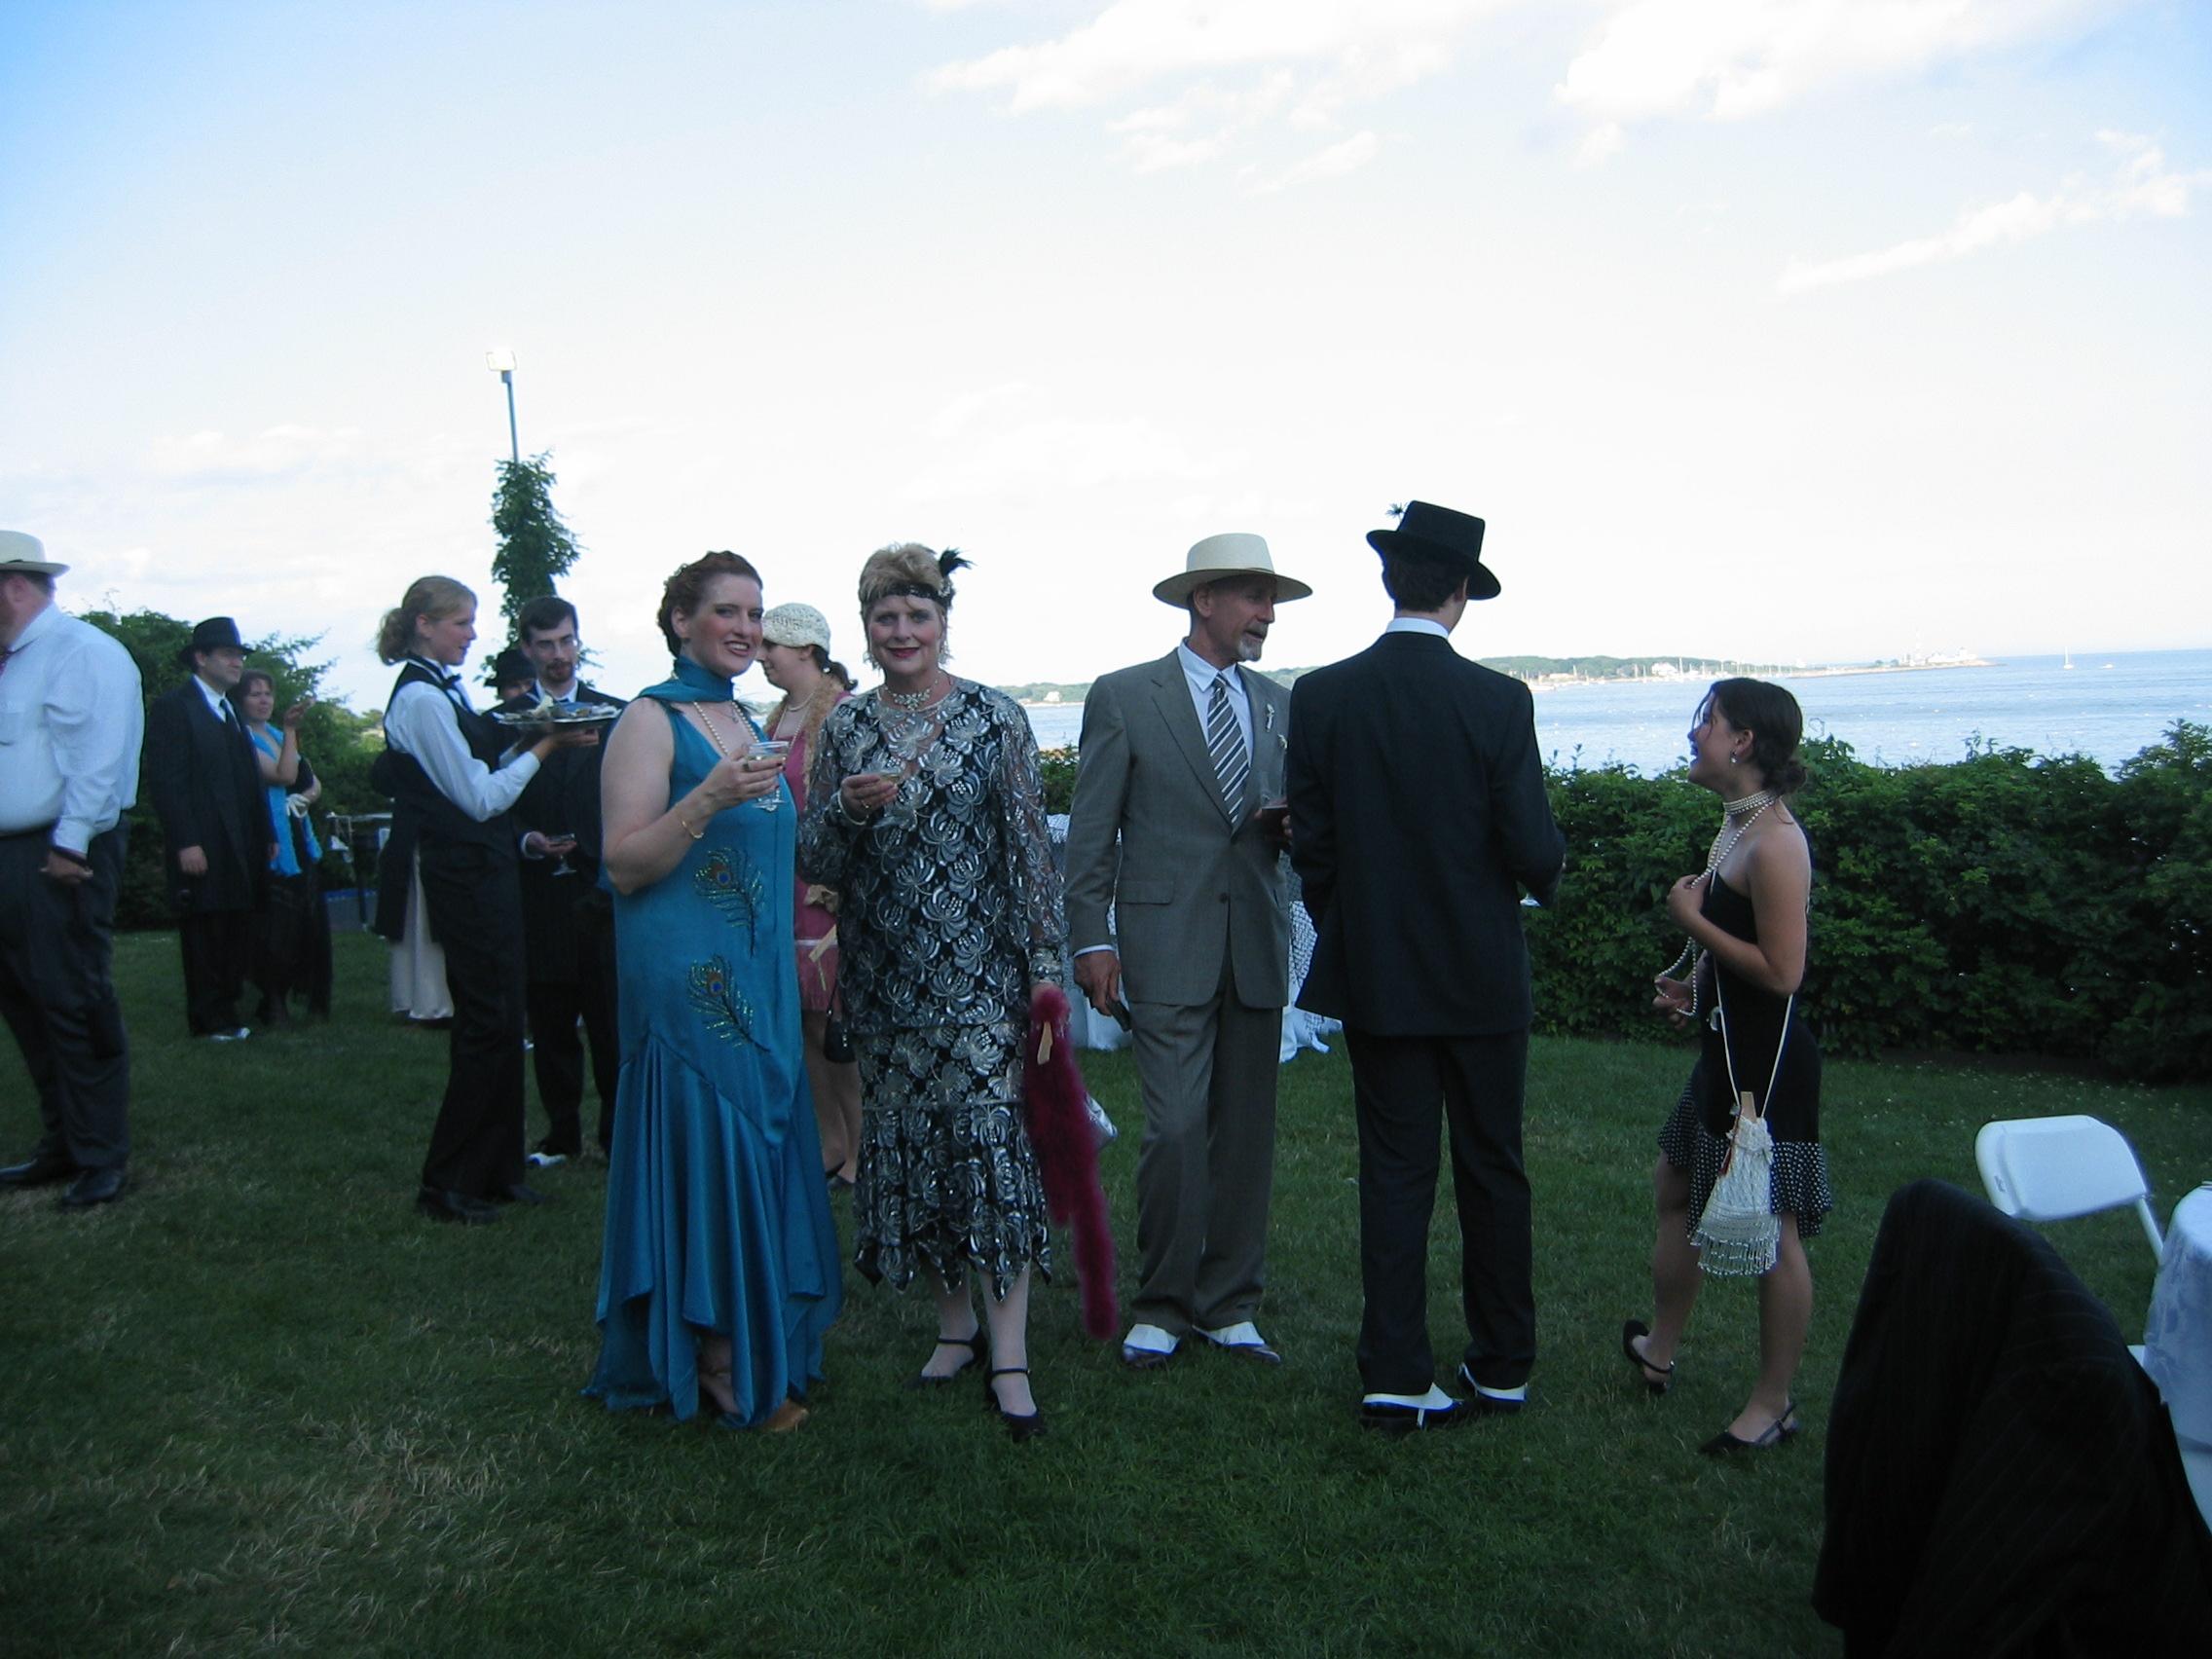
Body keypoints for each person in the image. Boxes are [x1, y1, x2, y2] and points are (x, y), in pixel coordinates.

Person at [1286, 500, 1566, 1432]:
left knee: (1395, 1170)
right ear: (1461, 594)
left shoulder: (1322, 695)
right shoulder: (1498, 701)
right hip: (1482, 973)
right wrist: (1543, 875)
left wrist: (1351, 920)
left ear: (1388, 581)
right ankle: (1503, 1362)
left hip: (1378, 972)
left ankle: (1396, 1372)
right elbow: (1532, 845)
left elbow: (1314, 845)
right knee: (1494, 1167)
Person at [798, 543, 1066, 1441]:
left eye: (918, 614)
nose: (902, 630)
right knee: (917, 1152)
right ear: (867, 628)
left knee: (989, 1153)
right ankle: (955, 1330)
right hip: (885, 984)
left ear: (943, 622)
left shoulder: (994, 718)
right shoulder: (845, 726)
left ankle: (1010, 1355)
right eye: (886, 616)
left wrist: (1045, 970)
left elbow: (1030, 852)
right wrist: (847, 811)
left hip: (983, 978)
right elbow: (814, 857)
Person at [584, 551, 840, 1433]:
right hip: (687, 981)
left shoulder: (738, 715)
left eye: (755, 615)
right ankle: (716, 1362)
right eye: (727, 611)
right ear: (681, 621)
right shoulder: (649, 719)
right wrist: (705, 798)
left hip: (759, 980)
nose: (745, 628)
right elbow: (624, 864)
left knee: (763, 1146)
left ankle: (755, 1339)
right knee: (713, 1156)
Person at [1063, 532, 1307, 1372]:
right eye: (1254, 597)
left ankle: (1229, 1304)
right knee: (1174, 1130)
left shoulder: (1279, 703)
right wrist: (1092, 938)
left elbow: (1295, 823)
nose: (1267, 615)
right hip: (1164, 947)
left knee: (1244, 1139)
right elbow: (1091, 833)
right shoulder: (1126, 695)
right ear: (1204, 599)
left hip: (1257, 947)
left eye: (1271, 600)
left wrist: (1299, 829)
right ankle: (1163, 1304)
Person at [1625, 678, 1827, 1454]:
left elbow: (1783, 972)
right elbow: (1743, 949)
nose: (1693, 734)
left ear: (1742, 741)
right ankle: (1660, 1348)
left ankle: (1772, 1404)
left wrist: (1690, 921)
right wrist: (1695, 986)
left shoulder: (1775, 841)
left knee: (1772, 1230)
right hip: (1725, 1054)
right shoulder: (1737, 827)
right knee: (1677, 1184)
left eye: (1705, 721)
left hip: (1764, 1072)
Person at [375, 576, 588, 1225]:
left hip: (485, 869)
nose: (471, 634)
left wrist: (530, 738)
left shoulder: (443, 689)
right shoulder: (420, 699)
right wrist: (545, 745)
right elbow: (480, 797)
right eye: (461, 623)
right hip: (462, 872)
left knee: (502, 1020)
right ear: (424, 624)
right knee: (485, 1024)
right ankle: (446, 1181)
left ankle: (496, 1171)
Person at [0, 531, 144, 1210]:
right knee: (25, 1003)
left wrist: (72, 845)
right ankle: (63, 1143)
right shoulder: (16, 660)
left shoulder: (83, 652)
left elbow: (97, 759)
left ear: (12, 587)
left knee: (73, 999)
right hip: (15, 853)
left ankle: (100, 1155)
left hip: (59, 852)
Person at [505, 596, 625, 1164]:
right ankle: (561, 1135)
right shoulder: (506, 721)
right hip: (539, 890)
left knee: (610, 1018)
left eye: (566, 641)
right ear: (527, 649)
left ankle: (617, 1133)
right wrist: (526, 838)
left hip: (601, 885)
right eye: (546, 645)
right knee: (550, 1016)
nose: (558, 654)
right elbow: (492, 802)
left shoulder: (616, 714)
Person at [756, 600, 862, 1188]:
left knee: (833, 1023)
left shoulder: (842, 712)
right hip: (783, 884)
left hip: (825, 891)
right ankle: (830, 1139)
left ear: (804, 649)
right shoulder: (776, 718)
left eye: (769, 645)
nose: (761, 656)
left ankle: (862, 1145)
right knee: (802, 1023)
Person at [145, 617, 272, 1041]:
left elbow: (250, 779)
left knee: (235, 925)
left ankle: (230, 1009)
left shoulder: (229, 710)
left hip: (240, 841)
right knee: (205, 929)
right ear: (201, 658)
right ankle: (208, 1018)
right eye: (228, 655)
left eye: (239, 655)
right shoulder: (175, 707)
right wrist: (186, 841)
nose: (237, 663)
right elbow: (168, 781)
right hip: (202, 841)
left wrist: (267, 833)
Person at [233, 669, 332, 1024]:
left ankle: (301, 991)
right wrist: (291, 731)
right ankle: (272, 999)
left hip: (297, 833)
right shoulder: (242, 738)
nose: (263, 701)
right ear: (240, 701)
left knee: (307, 918)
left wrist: (304, 799)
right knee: (277, 922)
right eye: (254, 694)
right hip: (271, 838)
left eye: (267, 694)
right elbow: (283, 775)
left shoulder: (275, 734)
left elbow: (310, 781)